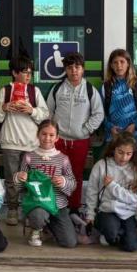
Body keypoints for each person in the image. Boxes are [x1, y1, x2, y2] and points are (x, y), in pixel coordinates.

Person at [0, 54, 49, 225]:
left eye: (30, 72)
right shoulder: (5, 91)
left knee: (31, 178)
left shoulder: (34, 91)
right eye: (24, 72)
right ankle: (12, 209)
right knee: (12, 178)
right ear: (14, 73)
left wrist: (31, 110)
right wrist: (4, 107)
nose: (28, 76)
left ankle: (30, 210)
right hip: (10, 141)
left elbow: (45, 115)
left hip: (32, 143)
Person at [45, 51, 104, 211]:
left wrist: (86, 129)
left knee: (75, 175)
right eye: (70, 67)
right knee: (55, 174)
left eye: (77, 67)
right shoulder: (57, 88)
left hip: (80, 141)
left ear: (83, 69)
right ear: (65, 70)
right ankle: (55, 206)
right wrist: (53, 132)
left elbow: (99, 113)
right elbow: (48, 112)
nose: (74, 71)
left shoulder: (90, 90)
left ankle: (74, 208)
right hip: (59, 141)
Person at [15, 120, 77, 248]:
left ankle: (49, 226)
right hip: (38, 202)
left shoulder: (63, 159)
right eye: (44, 134)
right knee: (38, 215)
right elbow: (20, 188)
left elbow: (73, 183)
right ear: (38, 135)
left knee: (69, 242)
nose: (47, 138)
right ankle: (36, 228)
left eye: (51, 135)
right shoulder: (29, 157)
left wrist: (63, 181)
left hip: (58, 205)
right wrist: (19, 178)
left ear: (57, 137)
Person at [83, 132, 137, 252]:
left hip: (127, 213)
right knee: (111, 233)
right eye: (120, 152)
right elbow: (92, 191)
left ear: (133, 153)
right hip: (107, 210)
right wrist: (90, 214)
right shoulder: (101, 165)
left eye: (128, 154)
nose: (124, 157)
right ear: (113, 149)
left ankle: (125, 232)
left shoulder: (135, 170)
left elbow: (135, 198)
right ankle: (110, 232)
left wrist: (112, 186)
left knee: (131, 246)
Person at [101, 49, 137, 145]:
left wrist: (135, 125)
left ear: (128, 64)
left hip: (134, 135)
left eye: (122, 62)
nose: (119, 66)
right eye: (115, 62)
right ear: (111, 65)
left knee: (133, 159)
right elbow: (100, 112)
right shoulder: (106, 87)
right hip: (112, 136)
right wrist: (110, 127)